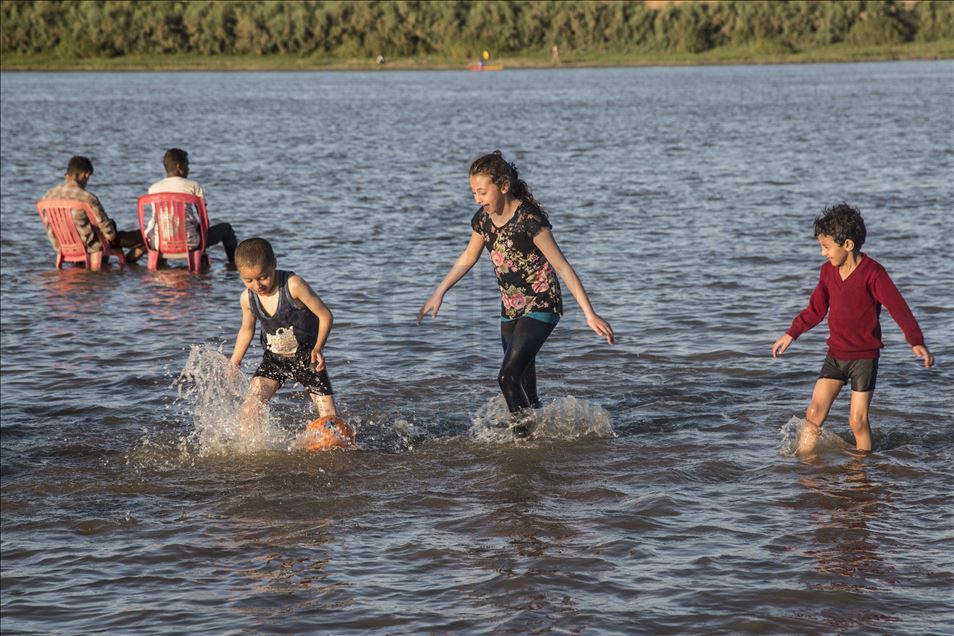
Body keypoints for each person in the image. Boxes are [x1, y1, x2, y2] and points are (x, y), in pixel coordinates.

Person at [418, 151, 614, 437]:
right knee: (524, 384)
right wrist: (440, 292)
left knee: (507, 377)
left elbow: (562, 266)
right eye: (473, 192)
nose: (477, 199)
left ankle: (525, 444)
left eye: (483, 192)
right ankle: (543, 435)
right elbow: (468, 257)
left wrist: (589, 313)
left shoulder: (529, 220)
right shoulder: (483, 220)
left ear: (504, 186)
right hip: (510, 310)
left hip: (543, 305)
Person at [771, 203, 934, 455]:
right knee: (813, 412)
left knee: (857, 421)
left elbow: (899, 308)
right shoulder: (827, 272)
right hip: (835, 355)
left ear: (847, 245)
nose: (823, 253)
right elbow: (815, 309)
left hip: (864, 357)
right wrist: (791, 333)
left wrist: (915, 340)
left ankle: (862, 472)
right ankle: (804, 468)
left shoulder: (874, 274)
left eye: (826, 247)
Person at [229, 238, 345, 443]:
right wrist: (234, 362)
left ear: (274, 262)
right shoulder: (247, 298)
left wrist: (318, 348)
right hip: (274, 360)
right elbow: (246, 330)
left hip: (307, 358)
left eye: (263, 277)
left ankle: (331, 451)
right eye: (249, 280)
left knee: (330, 422)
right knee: (250, 408)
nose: (257, 285)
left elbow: (325, 315)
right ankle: (252, 453)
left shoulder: (293, 285)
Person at [40, 155, 146, 262]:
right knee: (145, 237)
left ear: (66, 174)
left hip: (62, 246)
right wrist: (113, 236)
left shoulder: (47, 196)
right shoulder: (87, 197)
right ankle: (128, 265)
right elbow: (108, 231)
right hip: (90, 246)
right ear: (86, 175)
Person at [145, 148, 237, 266]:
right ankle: (234, 266)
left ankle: (162, 265)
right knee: (226, 229)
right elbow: (204, 221)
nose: (189, 169)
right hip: (189, 243)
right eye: (187, 165)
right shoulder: (193, 186)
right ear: (179, 167)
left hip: (159, 243)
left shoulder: (153, 188)